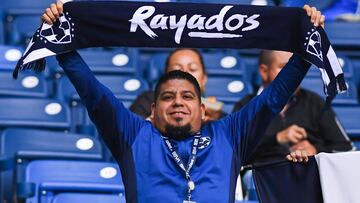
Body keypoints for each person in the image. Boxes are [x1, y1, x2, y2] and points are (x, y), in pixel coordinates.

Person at [43, 1, 322, 202]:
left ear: (202, 109)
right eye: (167, 97)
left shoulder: (229, 134)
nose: (178, 102)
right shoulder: (134, 134)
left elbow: (274, 97)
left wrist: (308, 38)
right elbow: (93, 94)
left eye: (188, 96)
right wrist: (61, 42)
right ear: (153, 110)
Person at [233, 50, 355, 164]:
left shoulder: (314, 102)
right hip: (262, 177)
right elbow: (234, 152)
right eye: (285, 67)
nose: (294, 74)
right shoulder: (245, 107)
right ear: (264, 71)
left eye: (297, 68)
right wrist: (276, 138)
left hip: (309, 174)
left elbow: (345, 149)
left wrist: (316, 150)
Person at [130, 48, 226, 123]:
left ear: (204, 78)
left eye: (192, 69)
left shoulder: (216, 114)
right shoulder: (147, 100)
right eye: (177, 69)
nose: (185, 73)